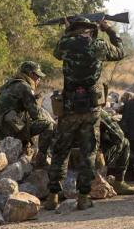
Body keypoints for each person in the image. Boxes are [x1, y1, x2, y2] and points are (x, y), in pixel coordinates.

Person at [45, 17, 124, 210]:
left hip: (69, 107)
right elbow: (120, 52)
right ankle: (83, 197)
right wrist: (111, 31)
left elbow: (57, 52)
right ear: (91, 29)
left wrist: (66, 32)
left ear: (73, 29)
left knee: (61, 150)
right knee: (89, 151)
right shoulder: (99, 45)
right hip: (91, 108)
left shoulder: (66, 44)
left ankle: (53, 196)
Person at [0, 61, 54, 165]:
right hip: (7, 129)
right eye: (38, 76)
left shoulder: (8, 84)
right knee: (48, 124)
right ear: (31, 75)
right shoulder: (25, 87)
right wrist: (36, 101)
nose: (39, 79)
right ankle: (41, 159)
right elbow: (36, 115)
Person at [100, 109, 134, 195]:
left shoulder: (67, 109)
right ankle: (119, 182)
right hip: (92, 158)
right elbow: (119, 136)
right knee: (125, 142)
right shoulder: (98, 112)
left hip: (71, 157)